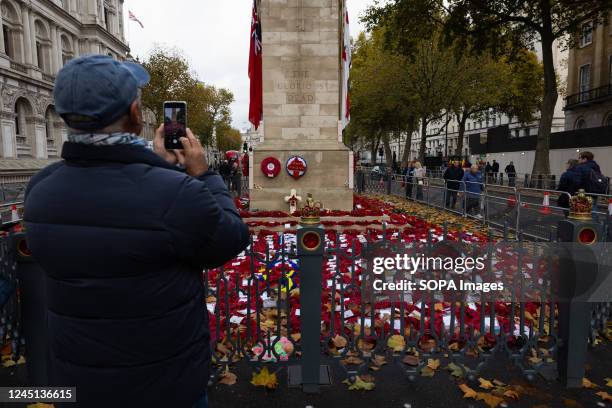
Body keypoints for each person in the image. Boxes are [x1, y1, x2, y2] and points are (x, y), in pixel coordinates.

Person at [23, 55, 250, 408]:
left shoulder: (40, 191)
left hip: (80, 380)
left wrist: (160, 168)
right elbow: (230, 238)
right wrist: (203, 174)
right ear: (134, 114)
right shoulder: (174, 193)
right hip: (165, 383)